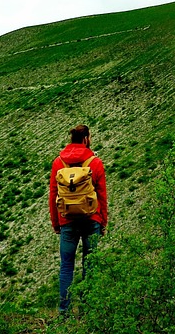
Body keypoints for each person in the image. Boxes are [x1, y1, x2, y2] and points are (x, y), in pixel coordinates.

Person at [49, 124, 108, 314]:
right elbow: (102, 195)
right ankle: (88, 311)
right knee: (90, 264)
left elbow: (53, 194)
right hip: (92, 219)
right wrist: (103, 222)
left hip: (67, 220)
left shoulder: (58, 163)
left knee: (66, 266)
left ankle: (64, 312)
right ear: (85, 139)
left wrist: (56, 223)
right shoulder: (95, 162)